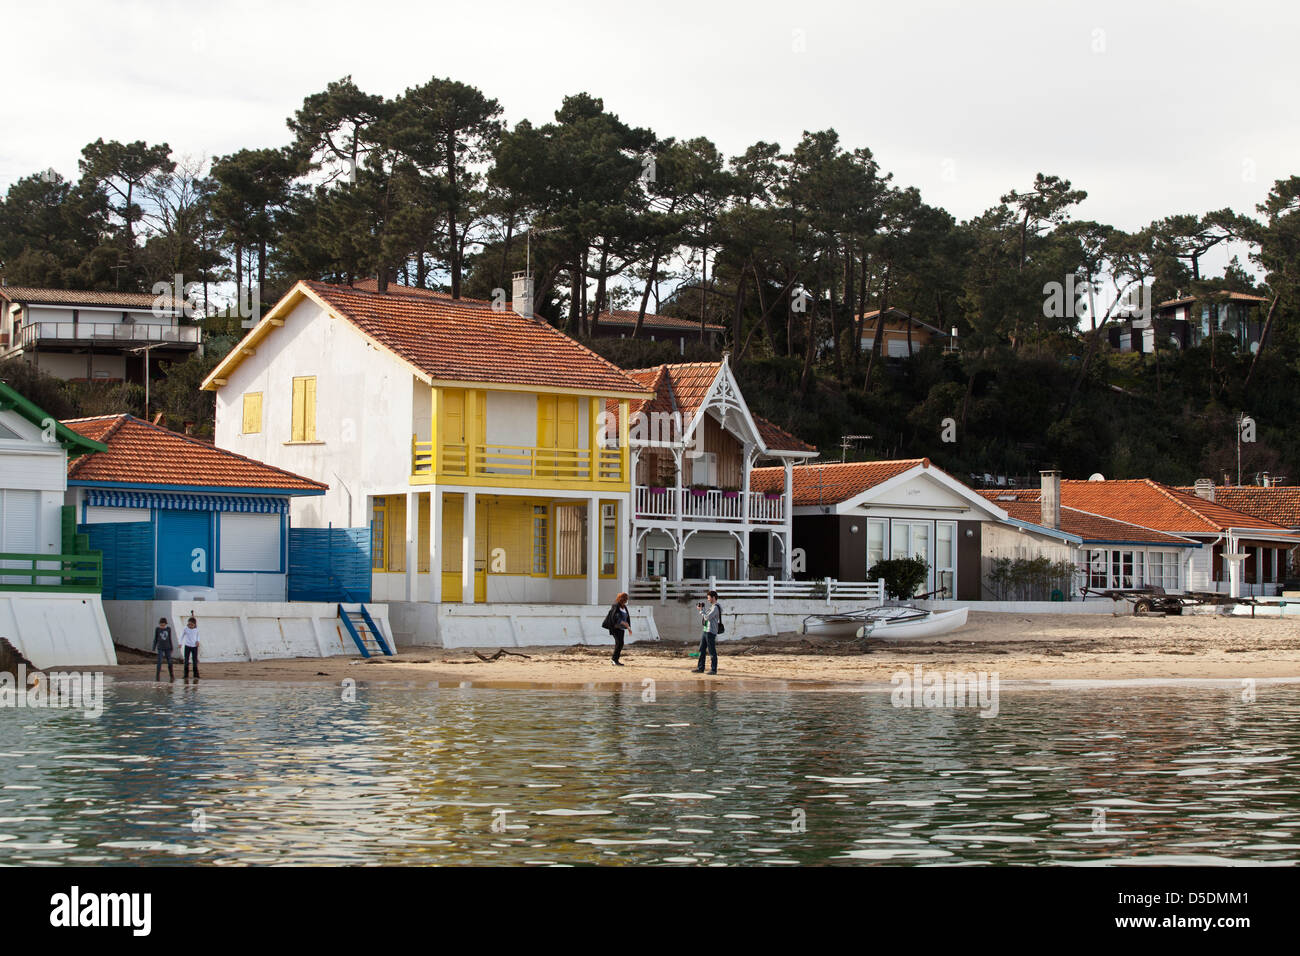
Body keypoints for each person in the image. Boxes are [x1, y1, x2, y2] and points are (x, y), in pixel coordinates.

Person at [693, 590, 722, 675]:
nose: (708, 599)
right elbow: (707, 615)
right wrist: (703, 609)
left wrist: (701, 611)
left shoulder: (716, 607)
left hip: (711, 631)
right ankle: (700, 668)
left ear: (713, 597)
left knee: (712, 651)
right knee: (701, 649)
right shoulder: (712, 607)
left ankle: (713, 670)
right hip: (706, 630)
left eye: (709, 597)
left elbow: (707, 617)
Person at [605, 592, 632, 666]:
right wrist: (623, 622)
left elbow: (627, 618)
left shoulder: (624, 607)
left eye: (626, 599)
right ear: (620, 598)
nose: (626, 601)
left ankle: (615, 660)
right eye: (624, 599)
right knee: (619, 643)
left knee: (620, 643)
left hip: (621, 628)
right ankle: (614, 660)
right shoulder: (616, 605)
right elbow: (615, 616)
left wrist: (628, 628)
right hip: (615, 627)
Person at [153, 617, 175, 681]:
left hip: (167, 648)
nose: (162, 626)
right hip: (160, 648)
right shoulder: (157, 629)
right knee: (159, 661)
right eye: (161, 625)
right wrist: (154, 647)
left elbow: (170, 638)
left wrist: (171, 647)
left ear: (165, 624)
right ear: (159, 624)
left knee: (170, 662)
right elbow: (155, 638)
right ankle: (157, 676)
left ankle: (172, 675)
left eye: (163, 625)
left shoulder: (168, 629)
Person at [180, 616, 201, 681]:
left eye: (191, 624)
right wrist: (180, 643)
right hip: (187, 646)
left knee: (194, 661)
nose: (190, 626)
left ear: (194, 624)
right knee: (186, 660)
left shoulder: (196, 629)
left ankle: (196, 675)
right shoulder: (185, 628)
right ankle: (186, 675)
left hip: (194, 647)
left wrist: (198, 641)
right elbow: (182, 636)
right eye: (189, 624)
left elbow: (198, 636)